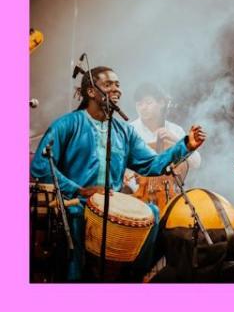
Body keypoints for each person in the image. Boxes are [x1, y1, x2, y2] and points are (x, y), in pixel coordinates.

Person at [29, 66, 206, 281]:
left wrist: (186, 145)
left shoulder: (125, 131)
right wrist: (78, 190)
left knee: (153, 213)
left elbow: (152, 164)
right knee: (76, 252)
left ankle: (132, 281)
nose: (116, 89)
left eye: (118, 85)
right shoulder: (67, 124)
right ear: (91, 92)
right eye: (108, 84)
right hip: (73, 206)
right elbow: (40, 166)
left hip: (109, 209)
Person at [124, 82, 201, 196]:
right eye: (139, 104)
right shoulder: (129, 130)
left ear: (161, 103)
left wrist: (176, 140)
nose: (143, 108)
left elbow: (196, 162)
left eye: (148, 102)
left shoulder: (175, 130)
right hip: (137, 196)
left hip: (169, 195)